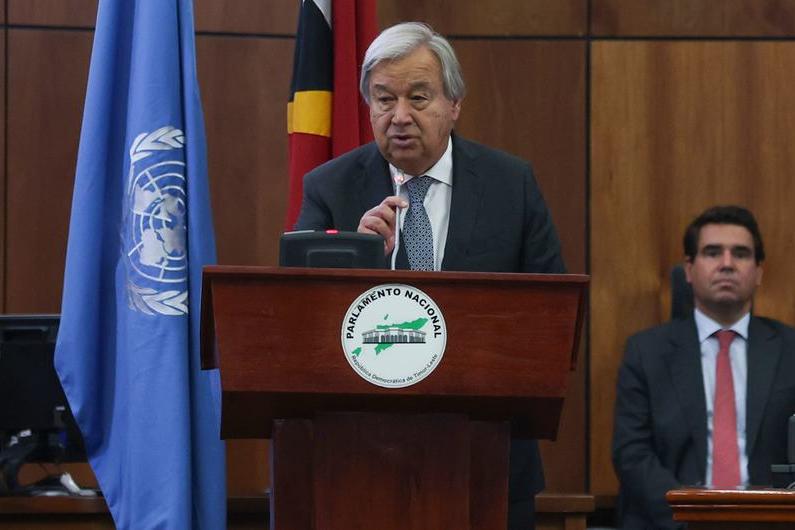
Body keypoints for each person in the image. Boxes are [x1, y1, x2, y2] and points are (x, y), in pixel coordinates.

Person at [295, 21, 565, 530]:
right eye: (383, 100)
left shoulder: (512, 186)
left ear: (454, 104)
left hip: (486, 460)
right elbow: (295, 324)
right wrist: (356, 260)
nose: (399, 117)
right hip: (356, 461)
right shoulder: (328, 190)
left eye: (419, 98)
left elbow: (552, 319)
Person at [612, 205, 795, 529]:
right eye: (712, 253)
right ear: (689, 269)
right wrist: (690, 518)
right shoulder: (646, 352)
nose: (727, 264)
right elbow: (632, 455)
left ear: (759, 272)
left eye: (740, 254)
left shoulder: (790, 349)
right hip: (672, 523)